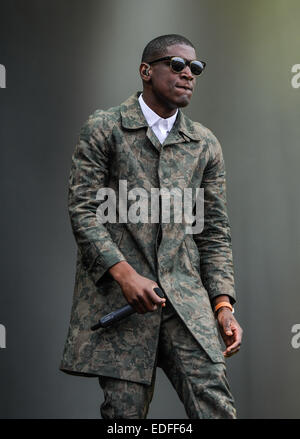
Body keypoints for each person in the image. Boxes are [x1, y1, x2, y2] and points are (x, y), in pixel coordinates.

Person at [60, 34, 243, 419]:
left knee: (216, 407)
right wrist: (124, 275)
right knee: (124, 419)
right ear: (146, 71)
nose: (188, 74)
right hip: (122, 303)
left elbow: (213, 231)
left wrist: (222, 304)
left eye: (195, 68)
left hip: (186, 305)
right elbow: (83, 210)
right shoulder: (106, 128)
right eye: (177, 65)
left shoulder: (203, 144)